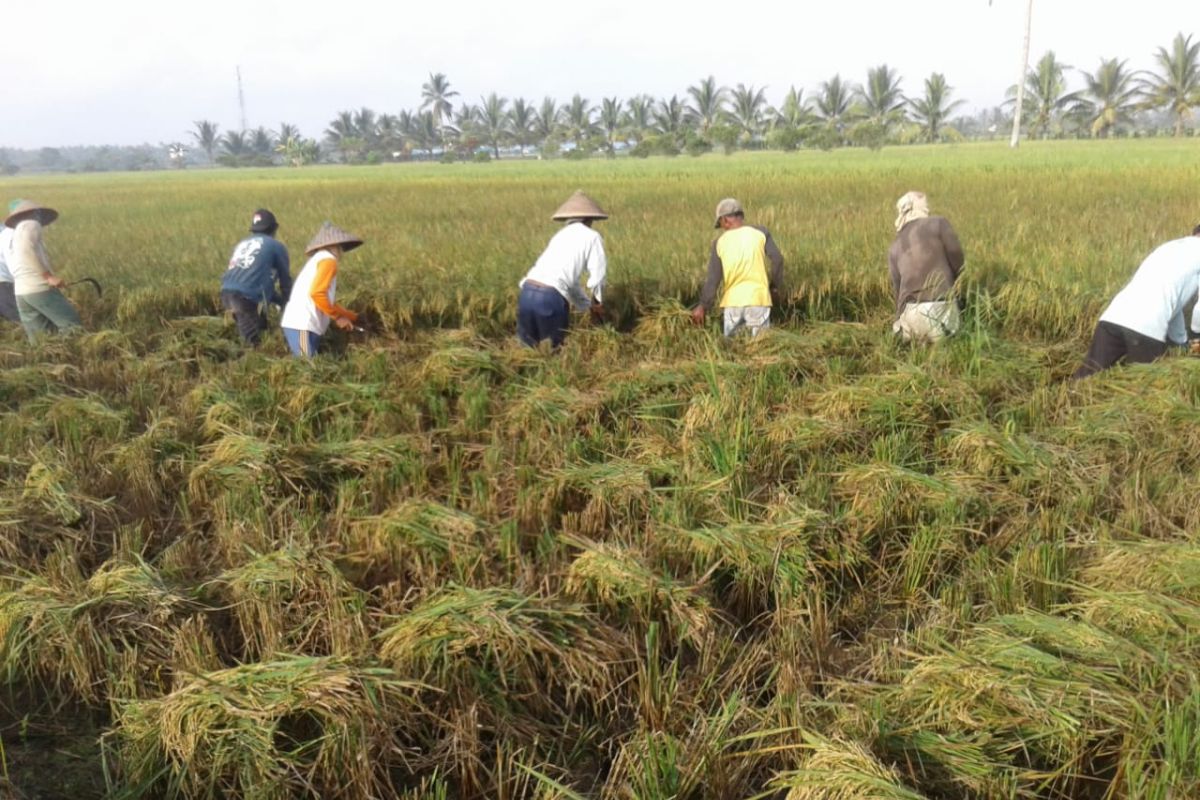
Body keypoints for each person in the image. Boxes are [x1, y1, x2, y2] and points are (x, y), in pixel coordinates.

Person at [1072, 225, 1200, 380]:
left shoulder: (1169, 248)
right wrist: (1196, 333)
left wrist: (1181, 341)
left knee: (1086, 376)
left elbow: (1173, 302)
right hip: (1146, 327)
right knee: (1145, 390)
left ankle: (1065, 398)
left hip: (1113, 316)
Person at [517, 190, 608, 348]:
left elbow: (569, 283)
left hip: (527, 293)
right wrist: (597, 303)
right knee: (555, 353)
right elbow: (598, 277)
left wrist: (586, 306)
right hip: (549, 299)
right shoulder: (592, 236)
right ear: (589, 219)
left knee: (527, 354)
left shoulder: (559, 236)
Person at [691, 198, 784, 337]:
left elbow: (713, 279)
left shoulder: (719, 243)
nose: (722, 227)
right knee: (761, 349)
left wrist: (703, 306)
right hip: (758, 300)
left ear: (725, 220)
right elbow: (777, 259)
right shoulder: (761, 233)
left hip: (732, 303)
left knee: (733, 350)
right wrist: (774, 287)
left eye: (721, 223)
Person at [889, 191, 965, 343]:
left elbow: (897, 290)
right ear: (923, 208)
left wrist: (899, 319)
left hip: (910, 318)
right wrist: (958, 283)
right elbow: (957, 256)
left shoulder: (894, 246)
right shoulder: (939, 223)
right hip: (940, 313)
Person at [279, 221, 362, 357]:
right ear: (334, 245)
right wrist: (338, 317)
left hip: (307, 325)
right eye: (340, 247)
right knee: (307, 367)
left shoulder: (319, 259)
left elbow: (326, 300)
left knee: (310, 366)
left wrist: (350, 316)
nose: (342, 251)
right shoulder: (329, 261)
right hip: (303, 323)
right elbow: (317, 294)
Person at [4, 199, 82, 341]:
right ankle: (74, 356)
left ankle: (44, 360)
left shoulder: (12, 234)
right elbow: (26, 249)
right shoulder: (31, 224)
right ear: (34, 213)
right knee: (71, 324)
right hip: (38, 287)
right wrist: (48, 277)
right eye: (38, 213)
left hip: (21, 292)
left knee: (39, 336)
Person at [220, 208, 292, 345]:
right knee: (252, 343)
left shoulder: (242, 244)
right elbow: (285, 282)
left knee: (260, 327)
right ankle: (250, 362)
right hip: (245, 298)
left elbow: (257, 283)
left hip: (226, 292)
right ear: (274, 229)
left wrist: (279, 301)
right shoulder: (276, 246)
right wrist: (289, 304)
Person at [0, 222, 20, 323]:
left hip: (5, 280)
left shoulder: (5, 230)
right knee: (17, 318)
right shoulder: (8, 230)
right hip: (4, 281)